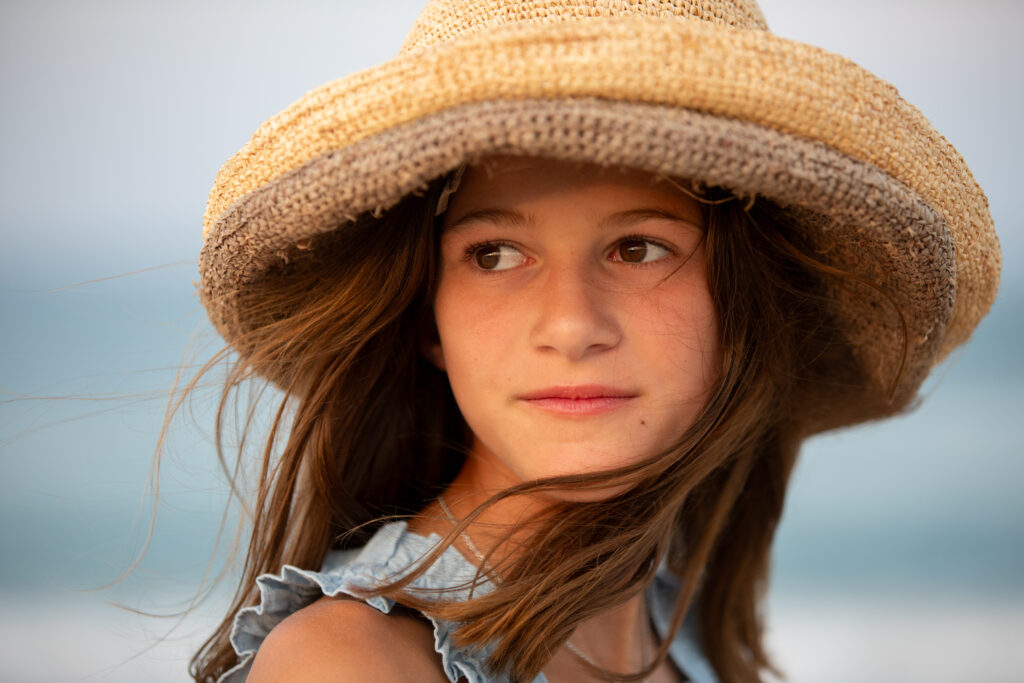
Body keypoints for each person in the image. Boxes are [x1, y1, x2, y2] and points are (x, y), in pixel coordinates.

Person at [189, 1, 1000, 682]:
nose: (573, 324)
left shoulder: (689, 647)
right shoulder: (354, 662)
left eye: (639, 247)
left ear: (742, 306)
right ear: (426, 320)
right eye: (496, 255)